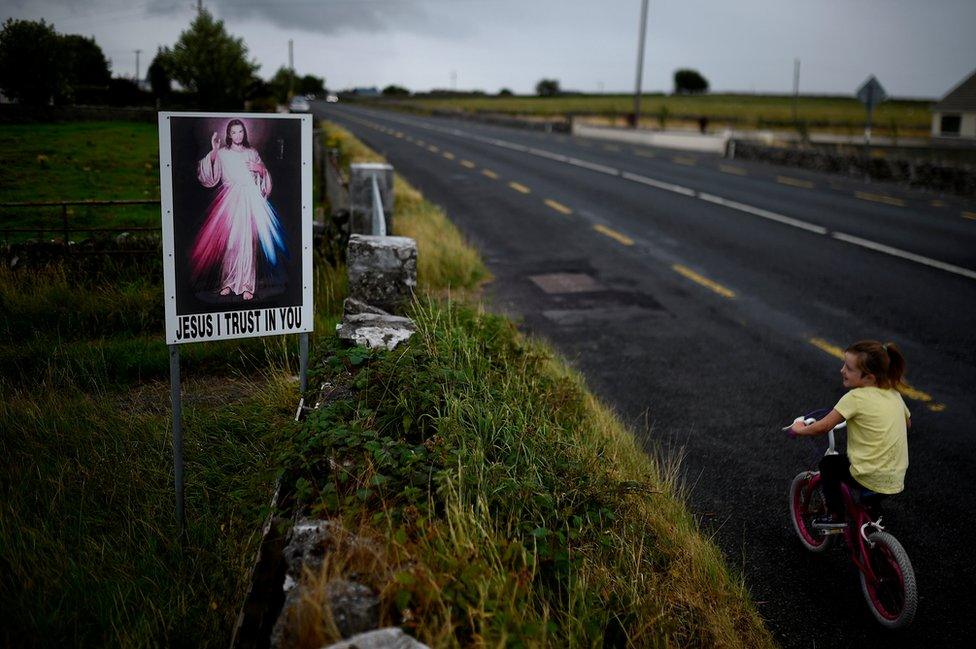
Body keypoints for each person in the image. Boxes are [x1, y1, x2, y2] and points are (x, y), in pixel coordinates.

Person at [790, 340, 911, 521]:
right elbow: (907, 424)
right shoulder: (894, 394)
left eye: (848, 368)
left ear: (869, 377)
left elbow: (823, 426)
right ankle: (872, 516)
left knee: (829, 465)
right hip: (896, 476)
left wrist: (798, 429)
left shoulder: (855, 398)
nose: (842, 370)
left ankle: (835, 515)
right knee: (872, 479)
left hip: (868, 476)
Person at [190, 119, 286, 301]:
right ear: (229, 134)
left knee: (247, 243)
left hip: (249, 200)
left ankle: (246, 285)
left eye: (240, 131)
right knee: (231, 243)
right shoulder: (223, 153)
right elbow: (207, 175)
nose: (237, 135)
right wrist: (214, 150)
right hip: (229, 201)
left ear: (244, 133)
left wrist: (261, 170)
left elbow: (263, 178)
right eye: (234, 132)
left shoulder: (252, 153)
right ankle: (228, 282)